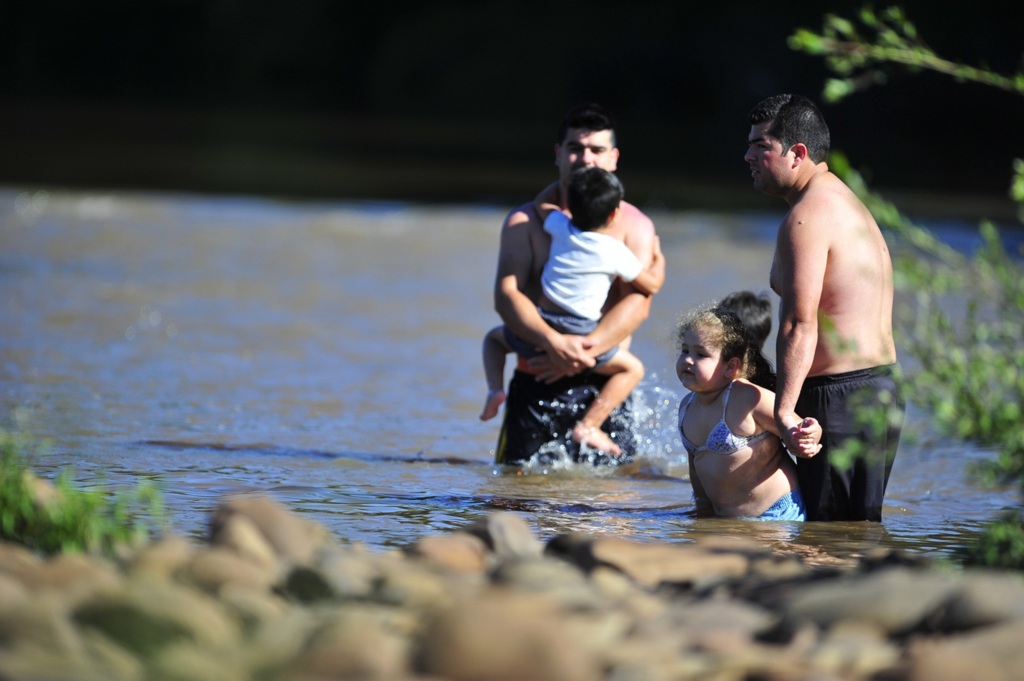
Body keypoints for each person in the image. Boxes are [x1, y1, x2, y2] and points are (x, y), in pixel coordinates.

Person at [745, 93, 905, 521]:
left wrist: (783, 410)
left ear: (797, 153)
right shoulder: (843, 203)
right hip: (876, 389)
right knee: (855, 531)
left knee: (828, 537)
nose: (747, 156)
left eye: (761, 146)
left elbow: (800, 323)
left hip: (838, 399)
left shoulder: (807, 216)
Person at [492, 103, 662, 465]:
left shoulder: (635, 225)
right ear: (558, 154)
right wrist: (552, 342)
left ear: (613, 158)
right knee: (513, 495)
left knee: (614, 505)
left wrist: (582, 353)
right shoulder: (526, 220)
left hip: (604, 382)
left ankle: (592, 426)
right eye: (575, 148)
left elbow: (639, 300)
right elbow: (507, 295)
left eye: (596, 150)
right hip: (535, 375)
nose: (585, 158)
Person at [676, 304, 821, 520]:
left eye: (700, 354)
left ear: (730, 367)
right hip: (730, 520)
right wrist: (702, 511)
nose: (688, 359)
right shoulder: (687, 406)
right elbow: (696, 469)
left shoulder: (747, 398)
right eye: (685, 350)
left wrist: (809, 435)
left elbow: (795, 424)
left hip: (776, 514)